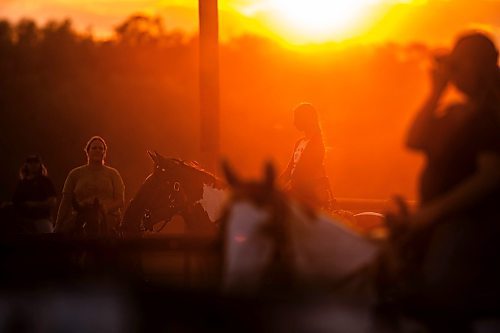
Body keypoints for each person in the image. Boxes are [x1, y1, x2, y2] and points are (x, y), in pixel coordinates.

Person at [388, 31, 500, 316]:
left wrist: (433, 212)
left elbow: (491, 176)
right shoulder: (454, 113)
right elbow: (413, 140)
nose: (452, 72)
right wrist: (435, 92)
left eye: (458, 64)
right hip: (436, 220)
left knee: (436, 296)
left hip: (471, 224)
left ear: (480, 66)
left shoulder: (491, 116)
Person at [55, 136, 125, 235]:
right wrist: (58, 225)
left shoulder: (113, 174)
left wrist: (106, 208)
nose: (97, 150)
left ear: (104, 153)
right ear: (87, 151)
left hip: (107, 215)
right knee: (64, 235)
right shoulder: (75, 173)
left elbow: (120, 200)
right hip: (81, 214)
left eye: (101, 148)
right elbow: (66, 200)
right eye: (94, 148)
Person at [280, 102, 334, 210]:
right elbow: (290, 169)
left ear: (306, 119)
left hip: (307, 196)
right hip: (296, 191)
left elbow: (304, 173)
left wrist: (287, 190)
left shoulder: (317, 145)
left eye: (297, 118)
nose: (294, 123)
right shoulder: (299, 142)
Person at [12, 154, 57, 233]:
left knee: (48, 239)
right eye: (30, 163)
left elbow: (52, 201)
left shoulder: (45, 181)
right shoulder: (22, 183)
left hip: (41, 219)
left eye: (35, 162)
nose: (33, 165)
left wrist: (34, 204)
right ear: (26, 165)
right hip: (22, 220)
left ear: (40, 165)